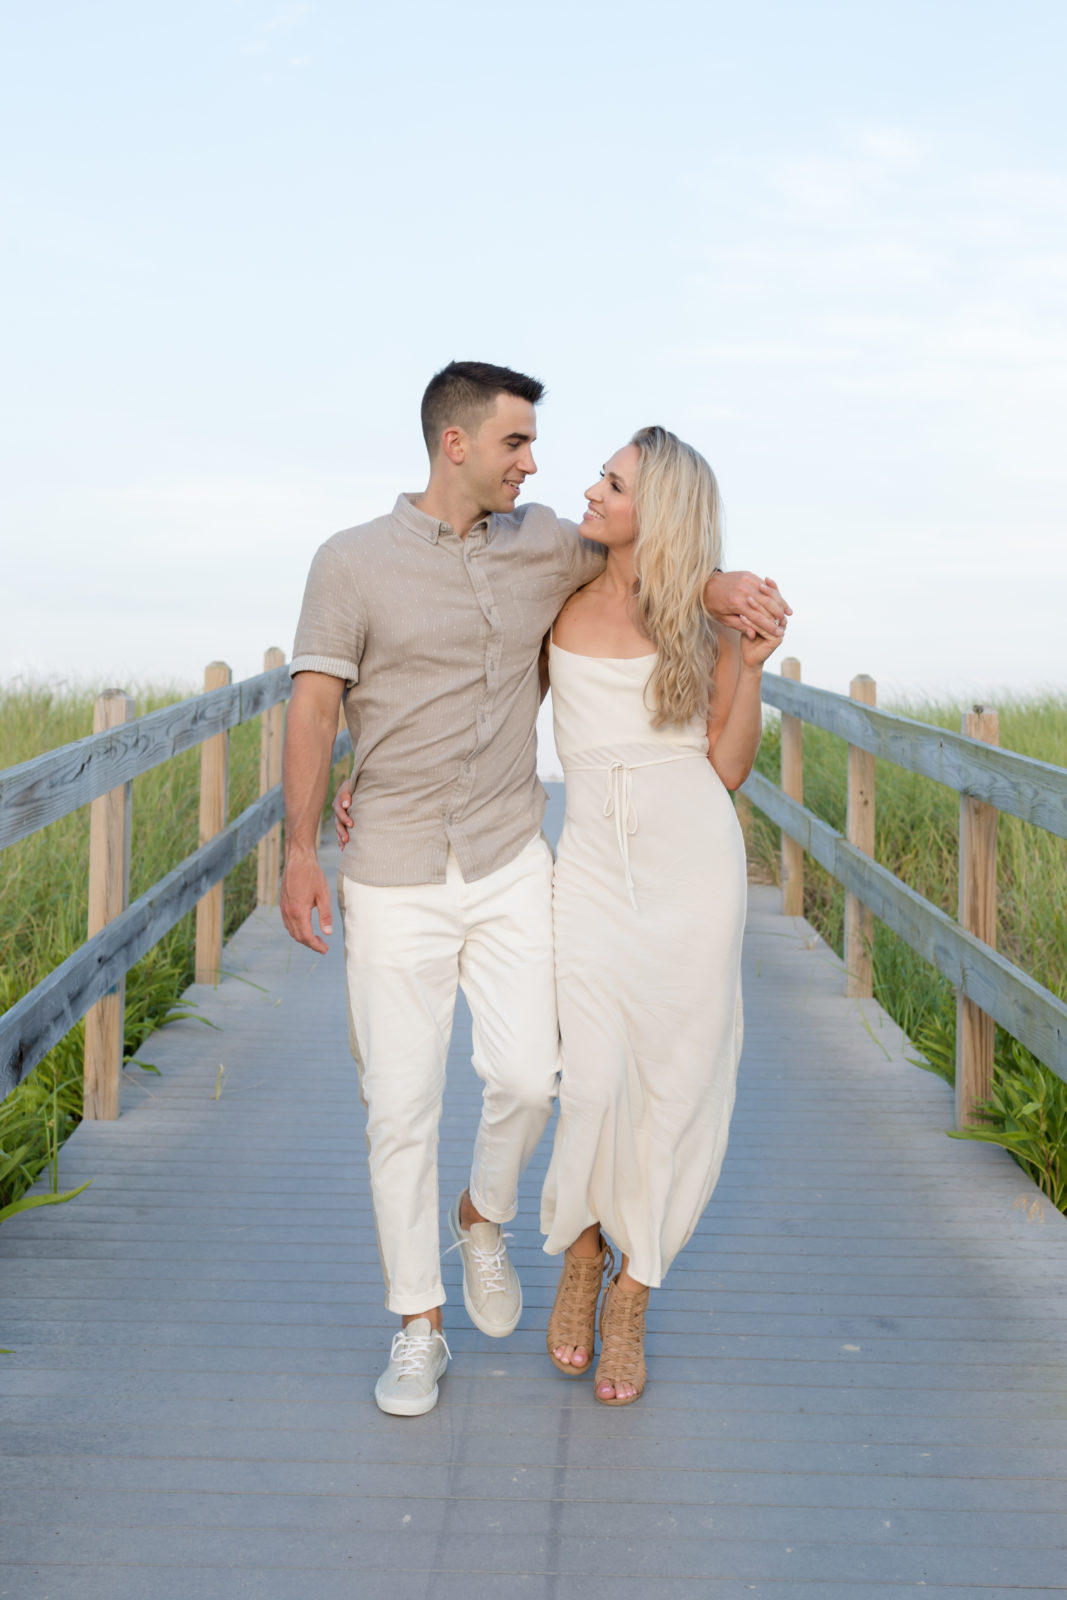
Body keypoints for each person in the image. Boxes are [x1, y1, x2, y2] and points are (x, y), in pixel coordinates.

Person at [282, 361, 789, 1417]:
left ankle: (581, 1264)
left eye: (604, 477)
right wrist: (328, 816)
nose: (554, 473)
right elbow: (371, 695)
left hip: (612, 858)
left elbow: (713, 715)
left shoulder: (587, 566)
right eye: (522, 445)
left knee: (608, 1079)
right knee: (496, 1090)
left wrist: (731, 622)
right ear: (458, 443)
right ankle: (501, 1284)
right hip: (493, 868)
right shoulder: (446, 571)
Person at [540, 425, 784, 1405]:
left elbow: (722, 769)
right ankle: (583, 1246)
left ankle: (635, 1288)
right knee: (591, 1077)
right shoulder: (552, 591)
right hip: (592, 859)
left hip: (692, 867)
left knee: (678, 1084)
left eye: (611, 482)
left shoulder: (704, 618)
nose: (589, 490)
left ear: (663, 512)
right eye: (598, 476)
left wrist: (754, 665)